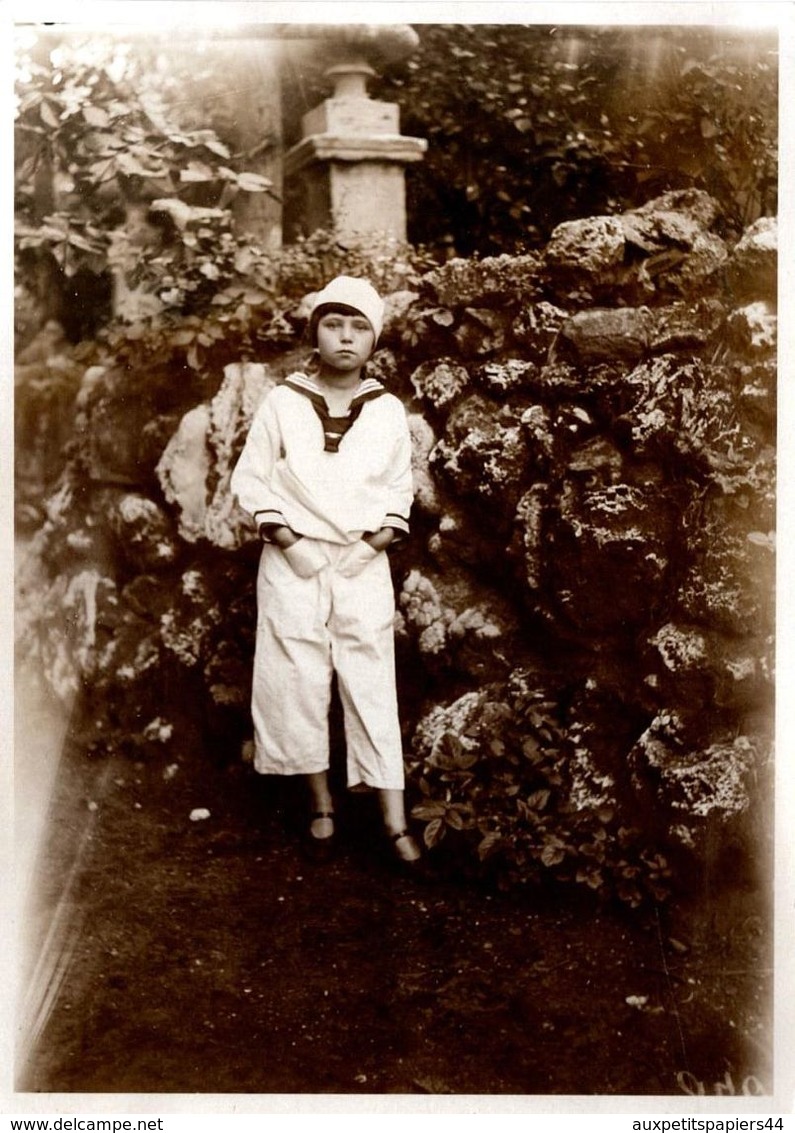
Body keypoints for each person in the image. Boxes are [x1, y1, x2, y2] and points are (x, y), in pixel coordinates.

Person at [230, 276, 422, 869]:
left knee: (369, 675)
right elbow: (252, 479)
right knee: (295, 673)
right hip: (295, 559)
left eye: (358, 326)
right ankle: (320, 802)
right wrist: (288, 541)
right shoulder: (284, 402)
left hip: (362, 559)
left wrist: (374, 544)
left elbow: (399, 487)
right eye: (333, 324)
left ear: (374, 339)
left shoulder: (387, 410)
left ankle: (392, 818)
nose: (345, 337)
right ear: (315, 331)